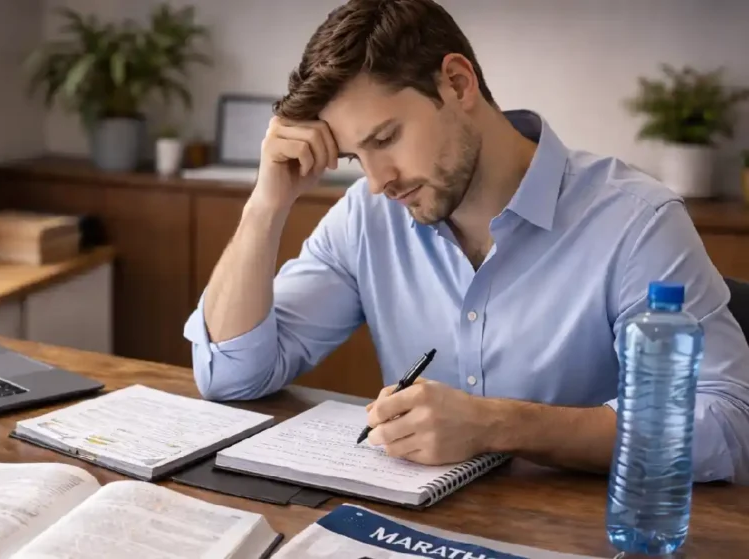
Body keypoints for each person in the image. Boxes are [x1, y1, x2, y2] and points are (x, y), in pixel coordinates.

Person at [182, 0, 749, 484]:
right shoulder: (366, 216)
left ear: (457, 83)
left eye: (386, 137)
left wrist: (499, 425)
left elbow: (723, 426)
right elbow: (233, 375)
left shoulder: (636, 221)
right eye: (358, 156)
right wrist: (266, 205)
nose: (378, 181)